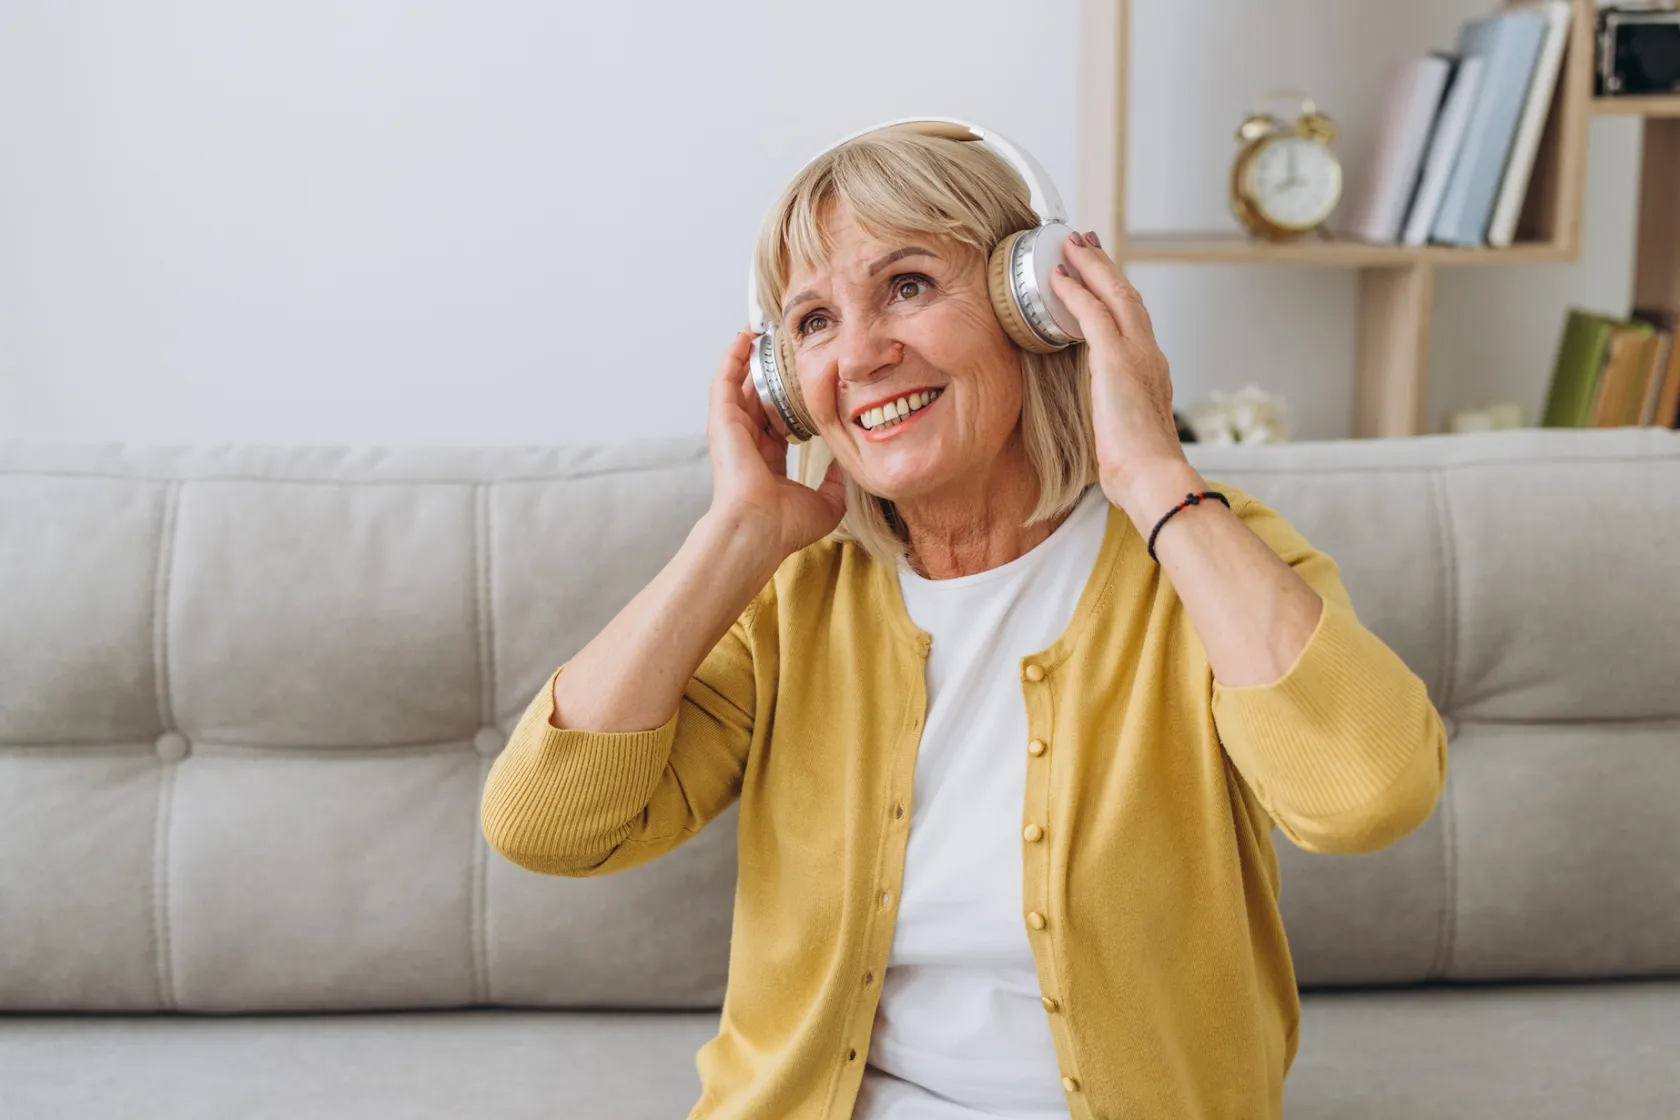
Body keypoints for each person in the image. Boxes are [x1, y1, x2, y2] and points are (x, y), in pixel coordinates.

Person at [481, 121, 1448, 1120]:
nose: (861, 355)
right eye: (814, 323)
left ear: (1037, 304)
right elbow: (545, 824)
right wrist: (736, 534)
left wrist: (1156, 474)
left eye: (907, 286)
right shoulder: (794, 600)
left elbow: (1368, 797)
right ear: (785, 386)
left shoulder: (1199, 555)